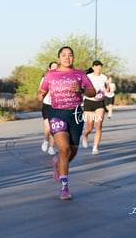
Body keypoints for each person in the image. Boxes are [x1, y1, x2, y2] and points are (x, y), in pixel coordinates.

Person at [38, 46, 95, 200]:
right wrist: (40, 95)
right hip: (57, 113)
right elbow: (42, 90)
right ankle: (64, 188)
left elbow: (93, 92)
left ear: (73, 58)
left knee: (72, 151)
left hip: (75, 115)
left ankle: (58, 162)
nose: (67, 58)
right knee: (64, 149)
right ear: (59, 58)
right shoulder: (51, 74)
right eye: (64, 55)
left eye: (70, 55)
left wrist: (81, 90)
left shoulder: (80, 74)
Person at [82, 60, 108, 155]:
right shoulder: (88, 77)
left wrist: (105, 91)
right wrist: (93, 91)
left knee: (99, 125)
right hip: (89, 102)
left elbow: (107, 88)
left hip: (99, 103)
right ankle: (85, 135)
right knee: (90, 126)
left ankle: (95, 147)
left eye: (100, 66)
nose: (99, 68)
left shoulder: (104, 77)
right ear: (93, 67)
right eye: (97, 66)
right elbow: (83, 88)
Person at [39, 61, 58, 155]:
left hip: (57, 105)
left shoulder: (61, 79)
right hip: (47, 104)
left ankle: (51, 147)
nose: (55, 69)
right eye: (53, 67)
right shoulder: (45, 79)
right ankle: (46, 140)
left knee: (54, 128)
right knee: (48, 127)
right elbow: (40, 91)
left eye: (56, 67)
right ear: (49, 69)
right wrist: (44, 93)